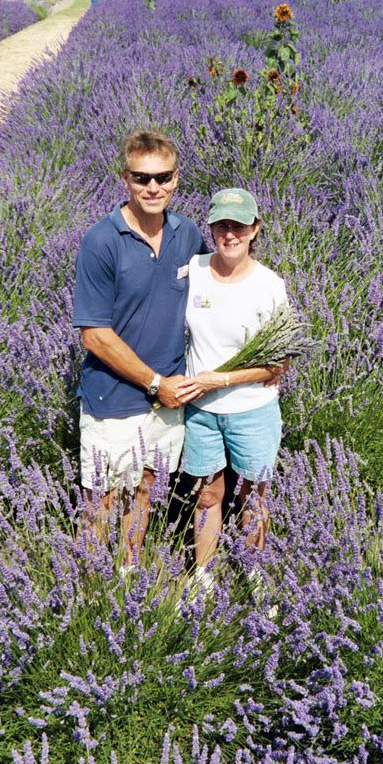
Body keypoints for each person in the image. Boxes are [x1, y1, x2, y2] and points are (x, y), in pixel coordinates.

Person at [72, 130, 207, 567]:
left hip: (168, 399)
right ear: (125, 179)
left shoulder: (187, 235)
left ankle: (129, 577)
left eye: (163, 177)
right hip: (113, 398)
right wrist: (155, 383)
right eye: (142, 178)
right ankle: (89, 600)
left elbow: (216, 292)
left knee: (147, 490)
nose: (153, 188)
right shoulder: (102, 241)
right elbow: (94, 334)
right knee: (101, 504)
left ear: (176, 178)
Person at [175, 189, 289, 576]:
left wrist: (220, 379)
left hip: (251, 411)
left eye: (239, 226)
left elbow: (279, 364)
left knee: (253, 497)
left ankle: (253, 576)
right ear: (210, 227)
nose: (230, 234)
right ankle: (202, 580)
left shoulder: (269, 286)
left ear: (255, 229)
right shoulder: (194, 271)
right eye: (222, 225)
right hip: (202, 413)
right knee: (208, 496)